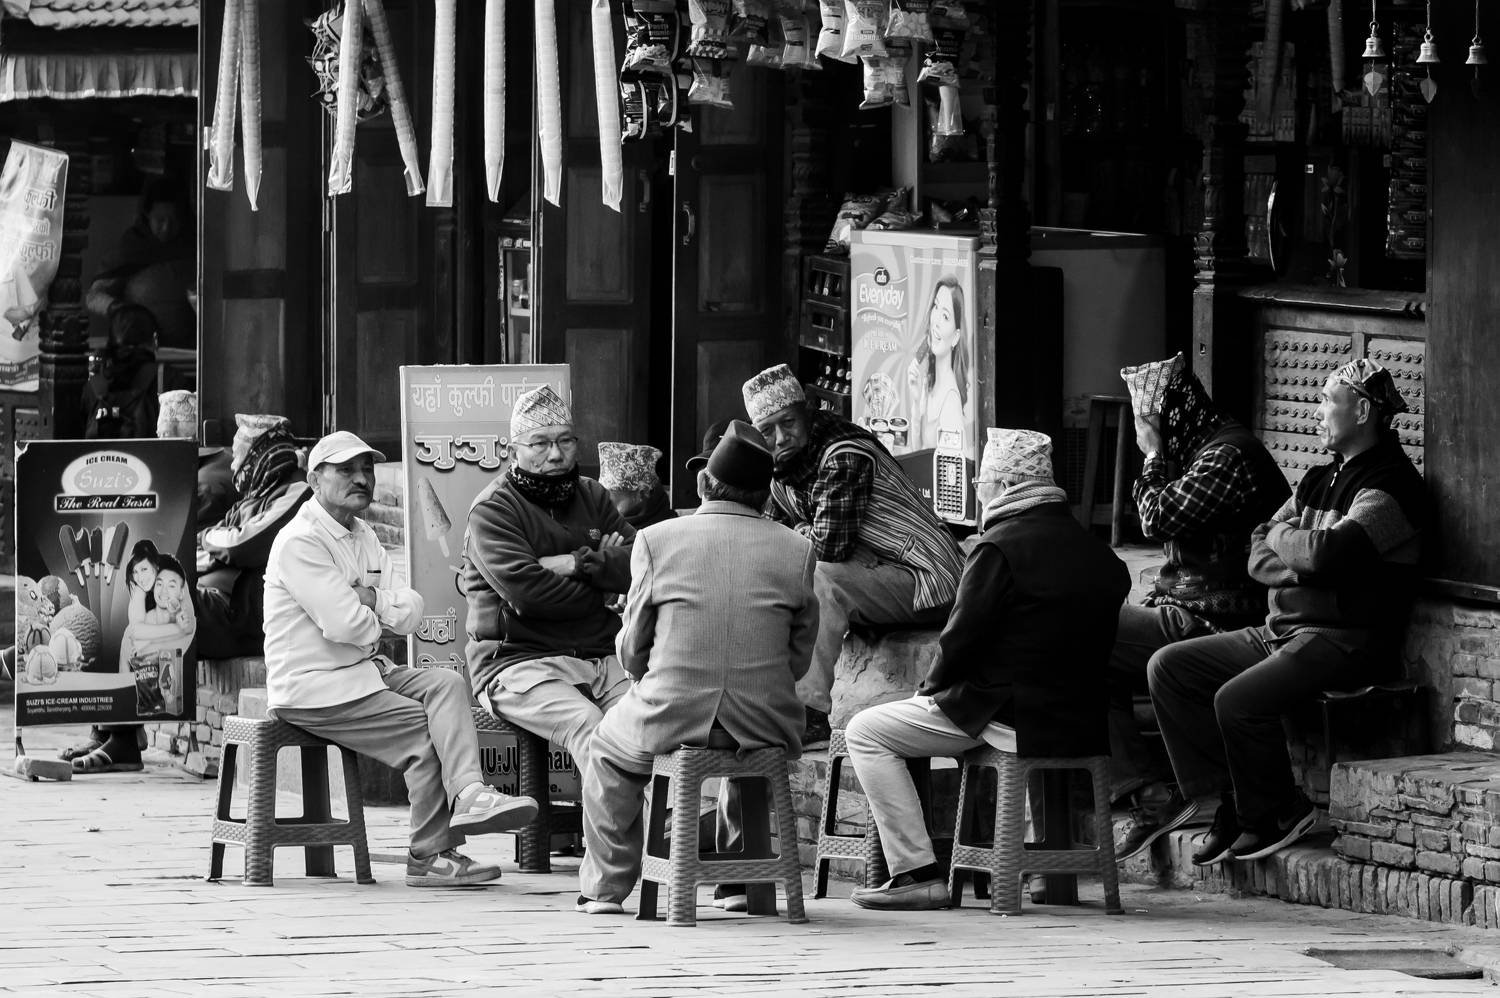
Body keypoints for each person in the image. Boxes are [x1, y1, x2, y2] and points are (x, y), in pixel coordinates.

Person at [1148, 359, 1426, 866]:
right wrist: (1298, 556)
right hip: (1283, 629)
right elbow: (1258, 551)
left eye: (1328, 400)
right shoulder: (1318, 478)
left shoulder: (1391, 486)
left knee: (1236, 700)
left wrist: (1295, 548)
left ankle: (1278, 811)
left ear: (1363, 411)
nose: (1317, 411)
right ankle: (1232, 802)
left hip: (1345, 639)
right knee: (1170, 667)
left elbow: (1327, 554)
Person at [844, 428, 1130, 909]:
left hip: (1006, 715)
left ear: (1006, 486)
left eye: (983, 484)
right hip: (1079, 718)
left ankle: (916, 872)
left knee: (866, 730)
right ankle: (1045, 878)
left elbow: (960, 640)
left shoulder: (998, 548)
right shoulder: (1102, 555)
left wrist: (928, 691)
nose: (979, 493)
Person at [265, 431, 538, 887]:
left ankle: (470, 792)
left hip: (365, 671)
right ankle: (429, 855)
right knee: (424, 730)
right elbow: (345, 626)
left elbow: (413, 611)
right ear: (314, 480)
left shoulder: (364, 534)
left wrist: (370, 598)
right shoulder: (301, 541)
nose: (361, 478)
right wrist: (377, 615)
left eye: (366, 469)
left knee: (447, 683)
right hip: (316, 685)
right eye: (346, 470)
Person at [575, 421, 818, 915]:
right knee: (742, 755)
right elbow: (799, 655)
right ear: (765, 496)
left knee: (605, 750)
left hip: (671, 712)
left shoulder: (656, 540)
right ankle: (739, 882)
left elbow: (633, 648)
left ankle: (604, 889)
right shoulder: (798, 549)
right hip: (766, 718)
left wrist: (642, 672)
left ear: (704, 482)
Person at [1108, 358, 1291, 860]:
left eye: (1147, 422)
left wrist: (1151, 455)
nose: (1145, 435)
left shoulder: (1228, 456)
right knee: (1084, 649)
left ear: (1170, 416)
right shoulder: (1201, 452)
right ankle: (1148, 794)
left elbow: (1156, 516)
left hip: (1218, 620)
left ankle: (1196, 797)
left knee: (1087, 628)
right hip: (1183, 607)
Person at [744, 363, 964, 747]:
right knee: (770, 580)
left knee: (818, 579)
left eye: (789, 422)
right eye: (767, 431)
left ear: (807, 412)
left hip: (927, 578)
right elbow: (768, 548)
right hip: (877, 572)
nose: (780, 437)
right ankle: (765, 704)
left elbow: (829, 549)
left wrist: (797, 534)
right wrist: (797, 536)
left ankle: (809, 714)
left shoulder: (844, 453)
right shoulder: (781, 471)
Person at [462, 386, 636, 775]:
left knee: (642, 726)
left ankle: (637, 818)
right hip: (519, 663)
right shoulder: (493, 510)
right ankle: (618, 819)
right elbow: (530, 595)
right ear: (513, 452)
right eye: (539, 443)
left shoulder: (593, 495)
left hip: (599, 658)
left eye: (565, 441)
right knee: (590, 727)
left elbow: (641, 562)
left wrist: (577, 564)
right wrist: (604, 587)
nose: (555, 455)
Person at [195, 414, 312, 659]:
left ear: (260, 455)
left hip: (242, 618)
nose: (233, 465)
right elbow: (207, 551)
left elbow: (240, 545)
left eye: (238, 455)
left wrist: (207, 537)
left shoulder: (298, 493)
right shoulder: (250, 500)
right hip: (221, 603)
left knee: (158, 606)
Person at [86, 177, 196, 351]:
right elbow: (93, 297)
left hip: (189, 351)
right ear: (147, 216)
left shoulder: (194, 247)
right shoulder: (132, 249)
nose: (166, 228)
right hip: (140, 350)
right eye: (160, 220)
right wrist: (119, 309)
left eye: (174, 220)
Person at [905, 276, 970, 454]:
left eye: (946, 316)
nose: (936, 322)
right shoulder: (930, 383)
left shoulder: (950, 402)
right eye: (936, 306)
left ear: (956, 337)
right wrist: (916, 402)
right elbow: (918, 450)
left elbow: (953, 466)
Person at [81, 304, 159, 440]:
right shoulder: (168, 378)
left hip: (100, 454)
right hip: (152, 453)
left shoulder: (93, 383)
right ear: (154, 340)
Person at [597, 441, 675, 530]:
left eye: (612, 502)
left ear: (642, 493)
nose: (606, 508)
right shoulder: (603, 525)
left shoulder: (669, 528)